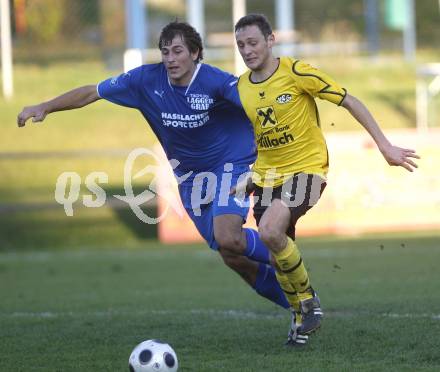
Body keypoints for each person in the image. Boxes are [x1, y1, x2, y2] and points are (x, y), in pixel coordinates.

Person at [17, 21, 309, 345]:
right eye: (165, 51)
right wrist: (44, 106)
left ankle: (287, 258)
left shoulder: (219, 83)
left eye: (178, 51)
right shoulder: (145, 81)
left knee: (229, 237)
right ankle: (298, 303)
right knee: (232, 254)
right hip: (190, 181)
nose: (170, 59)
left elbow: (262, 107)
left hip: (232, 165)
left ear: (195, 53)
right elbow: (92, 91)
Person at [232, 14, 420, 342]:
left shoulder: (296, 72)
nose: (247, 50)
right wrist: (250, 175)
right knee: (277, 248)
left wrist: (385, 145)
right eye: (241, 45)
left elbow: (350, 100)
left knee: (269, 230)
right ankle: (300, 322)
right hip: (267, 178)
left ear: (270, 40)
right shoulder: (242, 87)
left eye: (253, 43)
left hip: (307, 170)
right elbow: (261, 134)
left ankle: (309, 303)